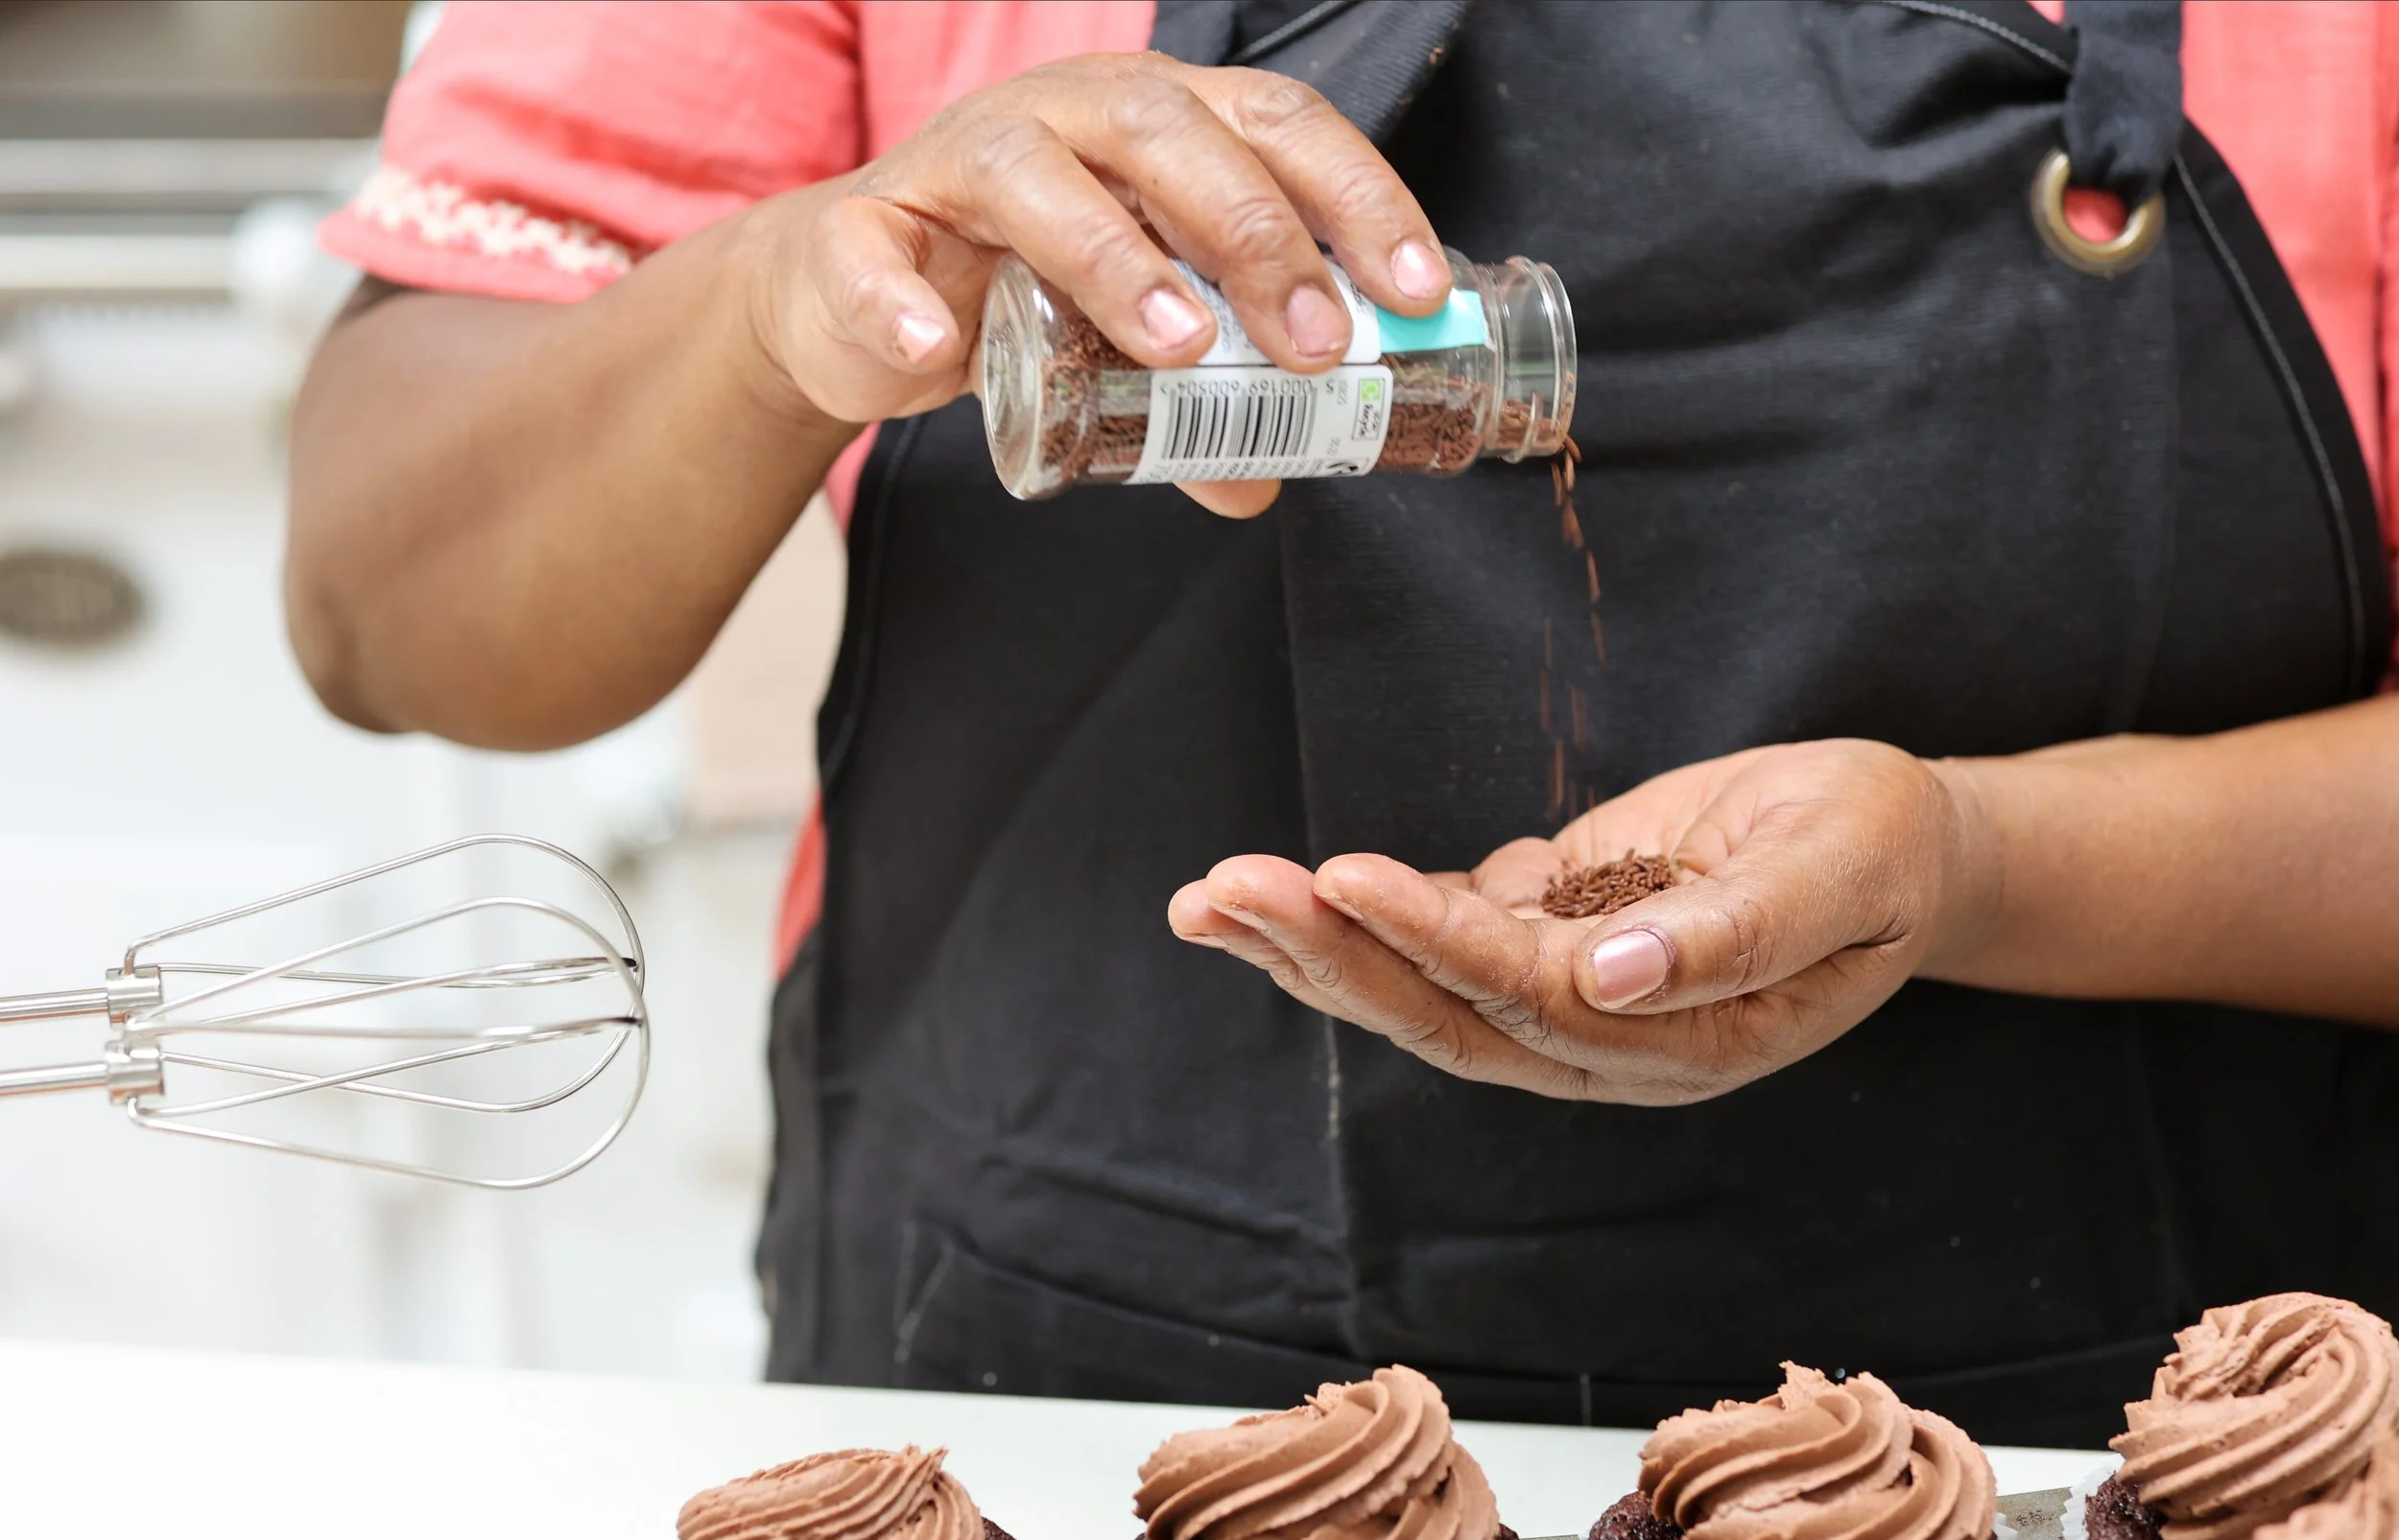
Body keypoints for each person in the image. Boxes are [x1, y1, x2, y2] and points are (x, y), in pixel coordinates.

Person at [288, 0, 2399, 1446]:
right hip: (1034, 1421)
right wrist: (772, 306)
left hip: (2126, 1448)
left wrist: (1983, 859)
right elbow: (389, 598)